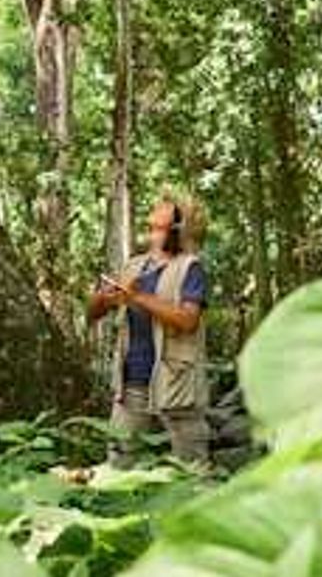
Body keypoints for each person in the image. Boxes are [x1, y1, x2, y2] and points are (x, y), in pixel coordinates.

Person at [88, 195, 211, 465]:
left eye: (159, 225)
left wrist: (139, 298)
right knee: (120, 461)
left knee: (192, 468)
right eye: (151, 225)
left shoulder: (190, 268)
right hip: (131, 380)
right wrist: (103, 298)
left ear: (178, 230)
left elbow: (188, 320)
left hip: (177, 383)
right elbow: (94, 313)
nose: (152, 228)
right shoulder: (134, 265)